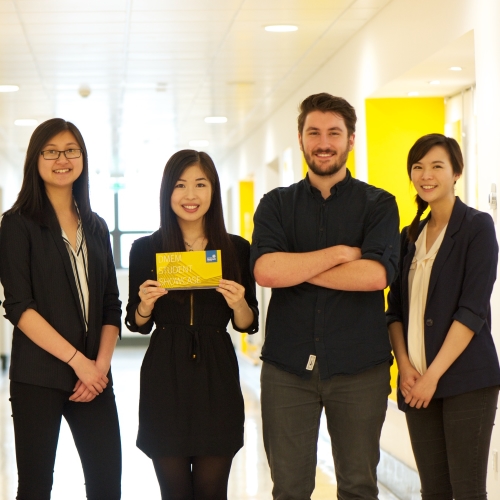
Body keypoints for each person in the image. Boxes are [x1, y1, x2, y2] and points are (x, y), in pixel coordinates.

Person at [250, 92, 400, 499]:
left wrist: (296, 269)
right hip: (287, 369)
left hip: (359, 369)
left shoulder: (379, 205)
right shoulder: (276, 205)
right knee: (290, 489)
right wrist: (338, 255)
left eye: (334, 133)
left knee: (358, 487)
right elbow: (266, 271)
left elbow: (374, 276)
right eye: (313, 132)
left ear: (351, 139)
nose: (323, 142)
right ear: (300, 139)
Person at [125, 149, 259, 500]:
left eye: (200, 184)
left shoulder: (236, 249)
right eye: (180, 185)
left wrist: (238, 303)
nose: (190, 195)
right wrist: (145, 305)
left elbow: (247, 323)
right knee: (174, 492)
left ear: (213, 190)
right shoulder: (146, 248)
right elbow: (136, 323)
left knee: (212, 490)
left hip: (217, 373)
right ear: (167, 191)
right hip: (164, 373)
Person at [0, 118, 122, 499]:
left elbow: (111, 306)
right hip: (38, 377)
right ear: (35, 159)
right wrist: (78, 362)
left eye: (71, 150)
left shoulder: (97, 227)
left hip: (94, 379)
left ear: (82, 158)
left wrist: (98, 367)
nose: (62, 159)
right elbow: (20, 308)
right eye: (50, 151)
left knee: (107, 485)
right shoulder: (16, 225)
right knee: (36, 488)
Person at [387, 133, 500, 499]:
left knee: (467, 491)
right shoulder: (409, 236)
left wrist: (432, 377)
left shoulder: (477, 227)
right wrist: (406, 367)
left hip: (465, 380)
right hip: (416, 381)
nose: (426, 175)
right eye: (418, 167)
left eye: (437, 166)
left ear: (456, 173)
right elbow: (395, 311)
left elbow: (472, 311)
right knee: (433, 491)